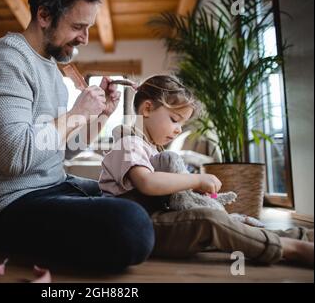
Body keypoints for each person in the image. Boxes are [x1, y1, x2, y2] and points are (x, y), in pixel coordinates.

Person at [0, 0, 154, 270]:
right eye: (78, 27)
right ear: (44, 15)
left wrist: (100, 116)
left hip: (55, 186)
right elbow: (15, 157)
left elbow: (63, 149)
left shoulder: (54, 69)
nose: (85, 38)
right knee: (131, 224)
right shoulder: (6, 59)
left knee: (140, 193)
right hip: (9, 207)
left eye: (88, 28)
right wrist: (78, 113)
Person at [99, 74, 314, 267]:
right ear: (147, 109)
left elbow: (166, 190)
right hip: (136, 227)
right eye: (174, 119)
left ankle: (297, 235)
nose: (178, 129)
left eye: (181, 123)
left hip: (155, 218)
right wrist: (195, 181)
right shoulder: (128, 143)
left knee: (230, 224)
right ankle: (291, 249)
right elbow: (147, 182)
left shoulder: (152, 148)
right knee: (209, 220)